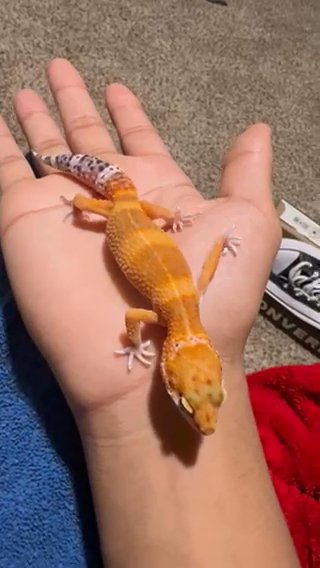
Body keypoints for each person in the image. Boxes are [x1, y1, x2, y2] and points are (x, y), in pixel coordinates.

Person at [0, 58, 299, 567]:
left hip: (136, 211)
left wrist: (200, 233)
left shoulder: (182, 310)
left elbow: (181, 289)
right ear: (176, 362)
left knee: (121, 201)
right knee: (86, 201)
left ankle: (67, 172)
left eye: (201, 399)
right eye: (200, 401)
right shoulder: (170, 311)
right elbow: (136, 316)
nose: (203, 418)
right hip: (118, 209)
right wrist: (85, 206)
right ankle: (68, 182)